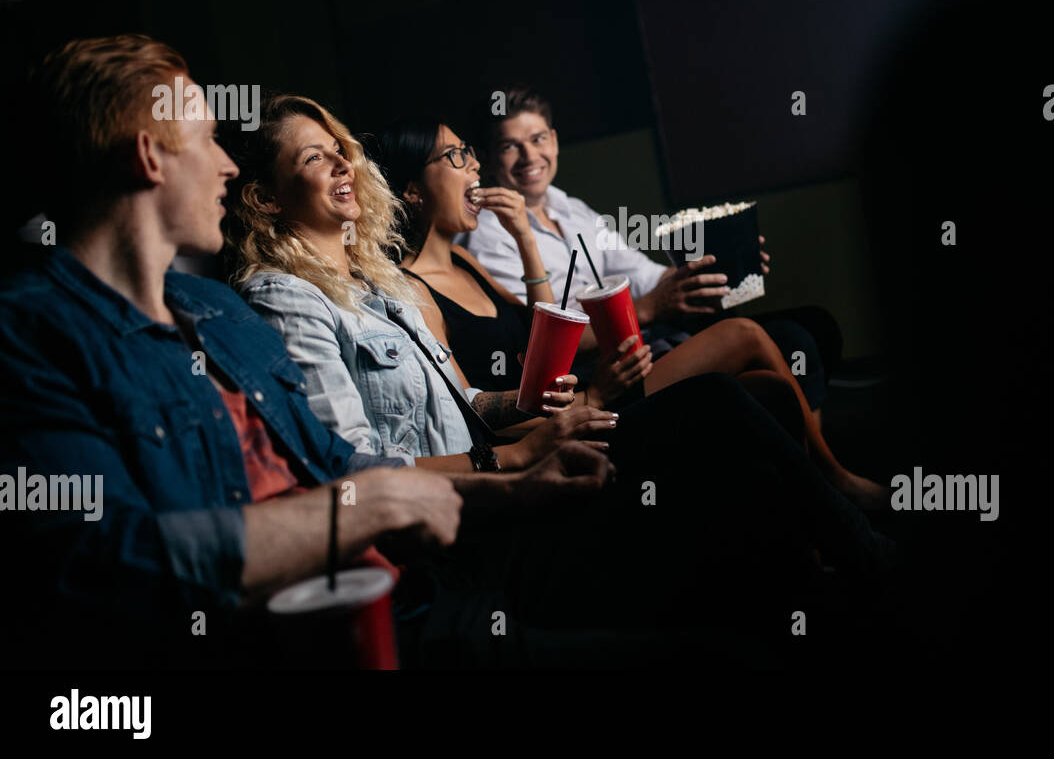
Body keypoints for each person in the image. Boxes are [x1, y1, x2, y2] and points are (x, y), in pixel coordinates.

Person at [0, 35, 810, 669]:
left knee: (735, 508)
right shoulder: (35, 332)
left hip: (429, 573)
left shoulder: (215, 313)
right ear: (148, 155)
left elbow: (340, 469)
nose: (224, 162)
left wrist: (525, 480)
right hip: (375, 615)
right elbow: (98, 562)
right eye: (207, 140)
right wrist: (453, 484)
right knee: (722, 632)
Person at [221, 93, 896, 619]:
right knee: (729, 388)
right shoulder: (289, 297)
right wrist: (526, 449)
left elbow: (471, 399)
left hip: (539, 434)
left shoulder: (377, 282)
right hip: (482, 512)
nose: (342, 163)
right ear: (264, 197)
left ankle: (822, 581)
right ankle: (865, 562)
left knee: (777, 377)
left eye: (341, 150)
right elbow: (356, 470)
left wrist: (547, 406)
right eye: (314, 157)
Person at [376, 118, 891, 511]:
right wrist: (591, 393)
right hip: (573, 413)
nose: (473, 166)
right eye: (455, 156)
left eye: (469, 153)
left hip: (584, 391)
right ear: (413, 191)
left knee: (770, 387)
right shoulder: (415, 290)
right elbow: (471, 415)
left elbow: (543, 336)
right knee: (743, 333)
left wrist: (527, 240)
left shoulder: (468, 258)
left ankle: (810, 534)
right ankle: (837, 485)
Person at [457, 88, 844, 401]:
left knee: (810, 327)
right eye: (511, 146)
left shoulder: (570, 208)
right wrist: (649, 308)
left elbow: (642, 274)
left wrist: (711, 269)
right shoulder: (486, 236)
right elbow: (547, 340)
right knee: (780, 344)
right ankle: (833, 479)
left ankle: (817, 467)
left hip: (648, 342)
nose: (529, 156)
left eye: (538, 139)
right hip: (596, 372)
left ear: (554, 142)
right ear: (488, 159)